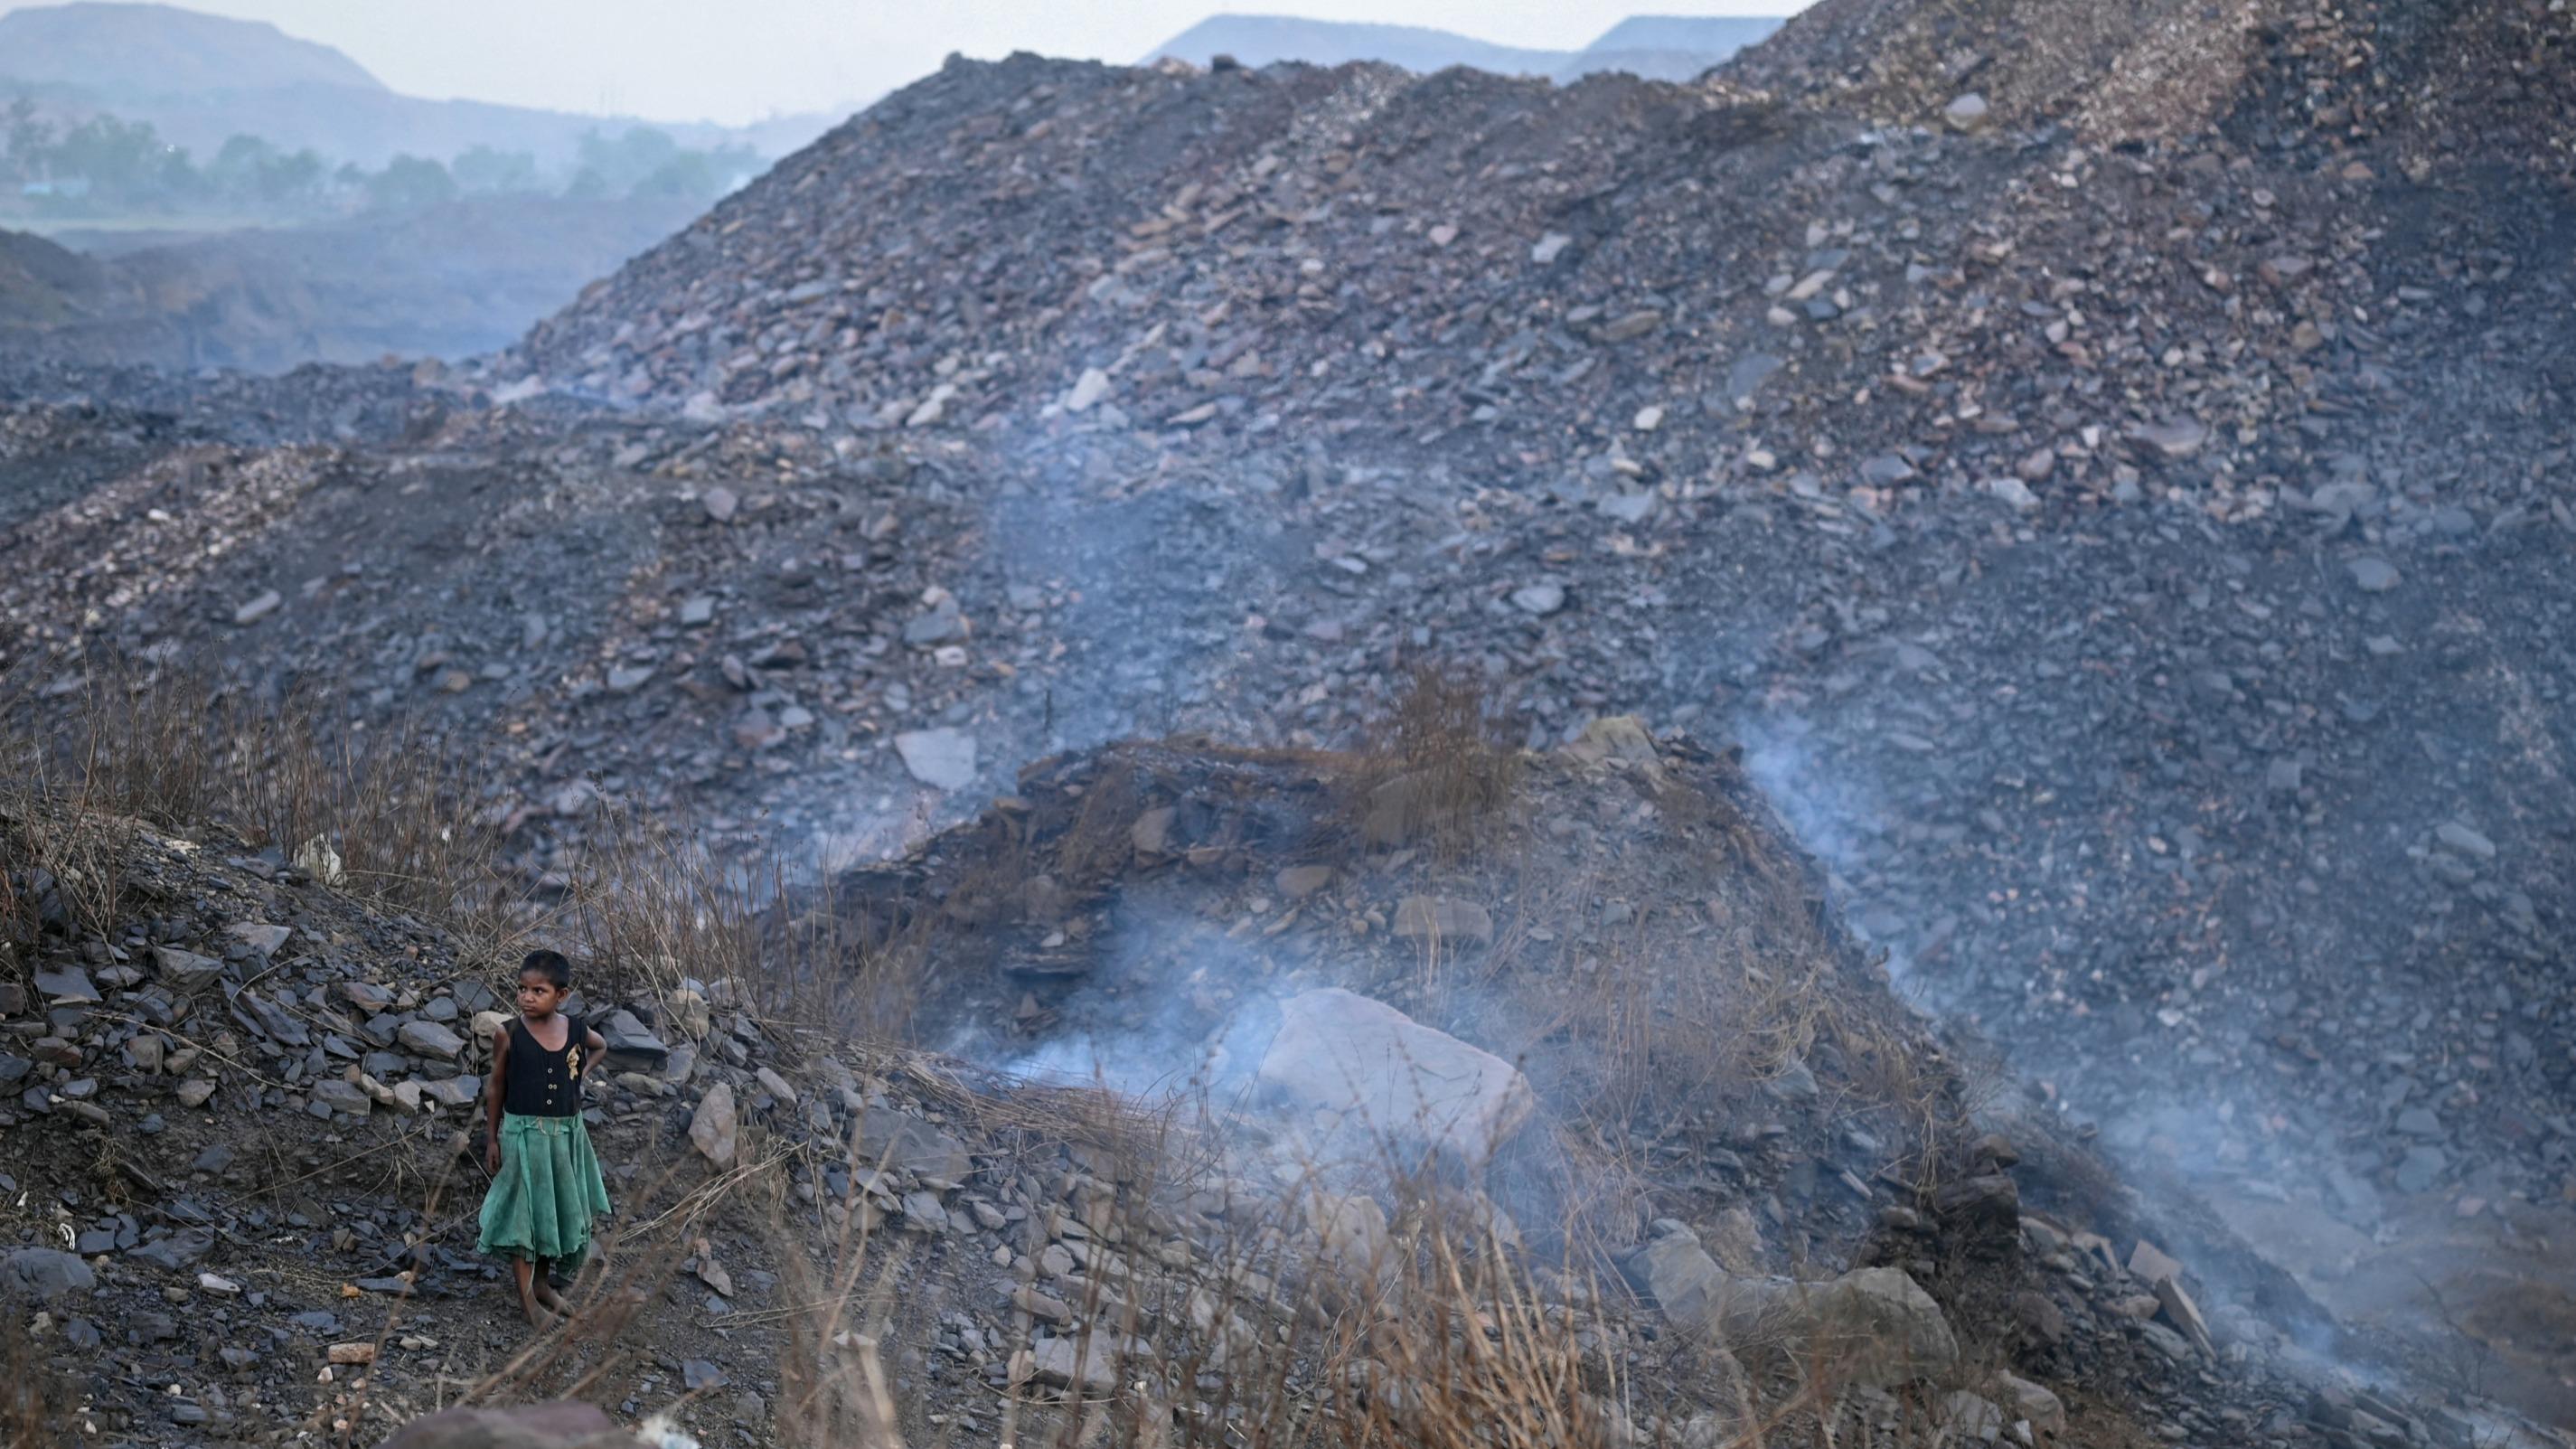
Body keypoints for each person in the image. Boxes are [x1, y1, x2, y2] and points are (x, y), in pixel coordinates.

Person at [477, 949, 612, 1327]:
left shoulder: (575, 1029)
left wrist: (579, 1072)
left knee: (552, 1210)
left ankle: (542, 1285)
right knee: (526, 1216)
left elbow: (600, 1046)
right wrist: (492, 1139)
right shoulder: (510, 1032)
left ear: (562, 995)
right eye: (522, 989)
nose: (527, 997)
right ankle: (528, 1301)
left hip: (565, 1136)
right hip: (523, 1136)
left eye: (539, 990)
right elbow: (496, 1086)